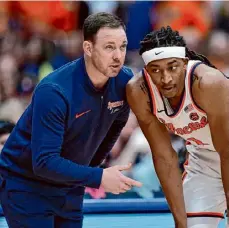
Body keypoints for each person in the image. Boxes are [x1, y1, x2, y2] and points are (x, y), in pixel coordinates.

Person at [0, 12, 142, 228]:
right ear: (88, 48)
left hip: (69, 185)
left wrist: (88, 171)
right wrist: (98, 177)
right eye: (109, 47)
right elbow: (44, 162)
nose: (118, 56)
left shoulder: (124, 81)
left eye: (122, 46)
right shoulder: (54, 91)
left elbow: (115, 126)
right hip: (26, 185)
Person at [126, 26, 229, 228]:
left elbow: (227, 152)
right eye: (156, 70)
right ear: (147, 70)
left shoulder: (209, 83)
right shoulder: (138, 91)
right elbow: (165, 158)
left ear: (184, 63)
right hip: (203, 157)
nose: (166, 79)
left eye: (172, 67)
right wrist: (180, 223)